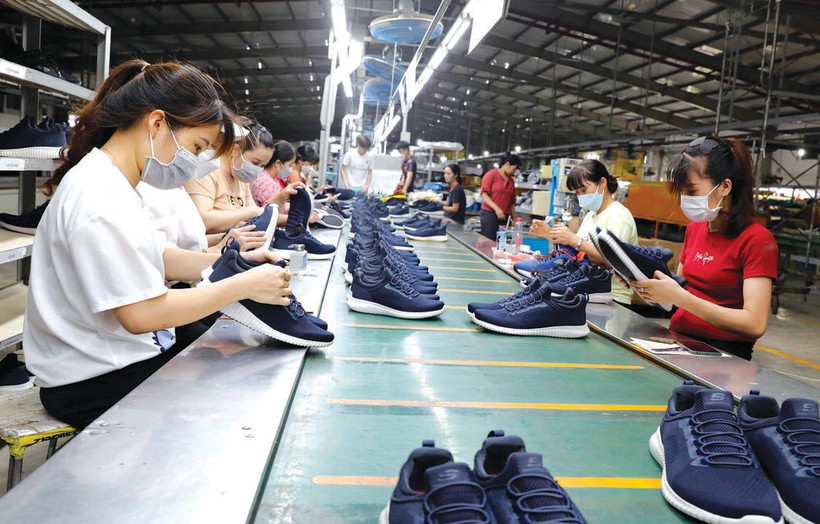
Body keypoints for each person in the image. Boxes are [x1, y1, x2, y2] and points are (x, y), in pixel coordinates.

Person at [24, 60, 293, 429]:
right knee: (235, 404)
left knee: (237, 369)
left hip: (114, 357)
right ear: (156, 123)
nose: (195, 162)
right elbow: (141, 315)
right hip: (91, 379)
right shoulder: (99, 196)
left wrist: (227, 260)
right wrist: (242, 285)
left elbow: (157, 256)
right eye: (196, 146)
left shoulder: (115, 181)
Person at [632, 136, 778, 360]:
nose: (685, 199)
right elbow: (677, 296)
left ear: (725, 187)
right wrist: (645, 288)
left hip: (723, 355)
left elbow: (754, 323)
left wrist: (680, 297)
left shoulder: (757, 241)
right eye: (681, 191)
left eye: (692, 191)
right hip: (679, 343)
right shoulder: (695, 228)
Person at [530, 159, 637, 306]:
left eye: (584, 190)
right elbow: (580, 255)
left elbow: (610, 261)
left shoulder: (619, 216)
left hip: (612, 298)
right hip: (588, 291)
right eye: (577, 192)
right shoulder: (590, 215)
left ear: (603, 183)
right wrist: (551, 235)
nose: (580, 196)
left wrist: (574, 240)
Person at [184, 122, 275, 234]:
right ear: (235, 150)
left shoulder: (240, 177)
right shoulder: (208, 170)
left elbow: (257, 216)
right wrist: (251, 212)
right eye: (255, 162)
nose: (258, 170)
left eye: (263, 166)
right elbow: (203, 220)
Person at [479, 152, 521, 239]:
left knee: (504, 242)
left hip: (506, 217)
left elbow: (511, 202)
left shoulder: (511, 181)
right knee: (489, 241)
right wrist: (497, 209)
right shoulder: (491, 175)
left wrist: (514, 218)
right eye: (514, 168)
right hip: (490, 215)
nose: (514, 171)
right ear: (508, 164)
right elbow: (484, 195)